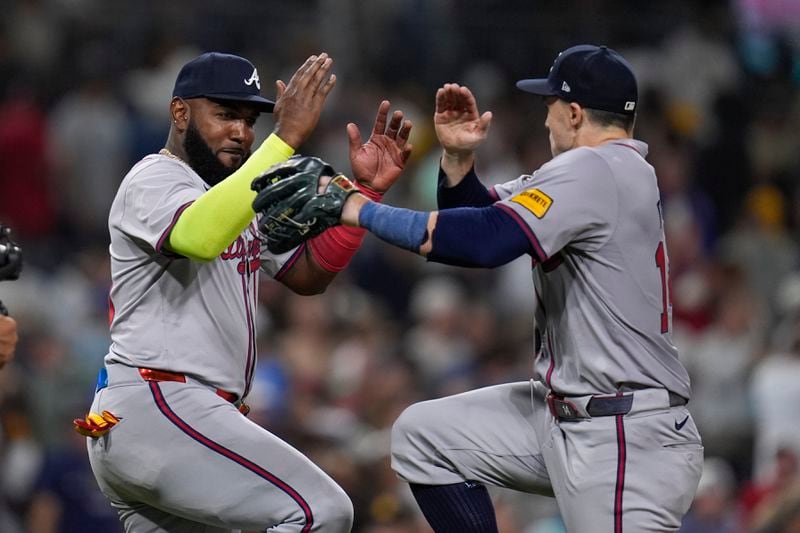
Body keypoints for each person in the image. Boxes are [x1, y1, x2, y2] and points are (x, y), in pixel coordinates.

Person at [337, 44, 704, 531]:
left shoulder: (593, 170)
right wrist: (458, 162)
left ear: (574, 113)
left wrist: (360, 210)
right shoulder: (599, 172)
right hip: (573, 418)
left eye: (549, 106)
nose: (545, 120)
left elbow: (484, 244)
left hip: (623, 437)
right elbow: (482, 219)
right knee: (426, 438)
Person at [77, 51, 411, 532]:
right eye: (226, 114)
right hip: (161, 402)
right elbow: (197, 237)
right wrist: (285, 138)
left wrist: (366, 194)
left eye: (251, 120)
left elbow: (308, 274)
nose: (242, 131)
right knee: (320, 509)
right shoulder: (155, 177)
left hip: (170, 418)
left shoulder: (234, 198)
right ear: (180, 112)